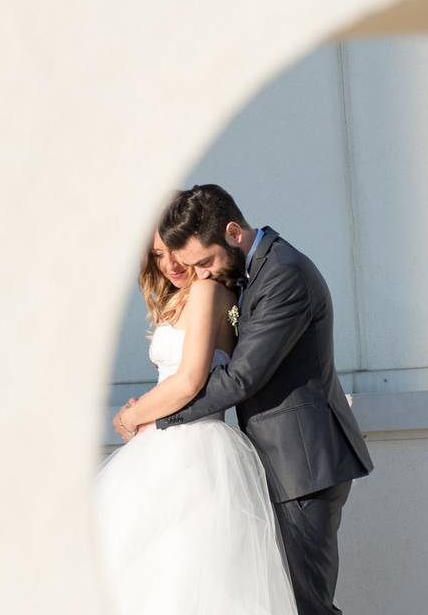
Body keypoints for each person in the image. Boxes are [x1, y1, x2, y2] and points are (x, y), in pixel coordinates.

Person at [156, 184, 374, 615]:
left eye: (205, 262)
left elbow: (242, 378)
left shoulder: (285, 275)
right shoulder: (252, 270)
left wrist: (164, 415)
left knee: (307, 604)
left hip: (304, 469)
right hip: (278, 465)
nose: (201, 275)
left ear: (233, 232)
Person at [93, 223, 298, 614]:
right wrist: (148, 408)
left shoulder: (207, 291)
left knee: (189, 573)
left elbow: (189, 381)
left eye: (174, 250)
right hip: (160, 446)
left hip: (195, 448)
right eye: (157, 254)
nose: (169, 263)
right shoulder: (180, 297)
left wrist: (134, 414)